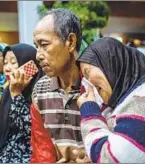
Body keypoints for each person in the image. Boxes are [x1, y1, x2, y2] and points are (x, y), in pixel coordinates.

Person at [32, 8, 89, 162]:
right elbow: (42, 146)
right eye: (36, 46)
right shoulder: (40, 90)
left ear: (70, 42)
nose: (38, 55)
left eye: (44, 45)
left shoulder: (95, 86)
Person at [0, 43, 47, 162]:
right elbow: (0, 128)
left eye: (13, 62)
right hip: (3, 154)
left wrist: (16, 95)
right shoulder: (8, 90)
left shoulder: (41, 92)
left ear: (29, 65)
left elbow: (29, 131)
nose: (7, 68)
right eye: (6, 62)